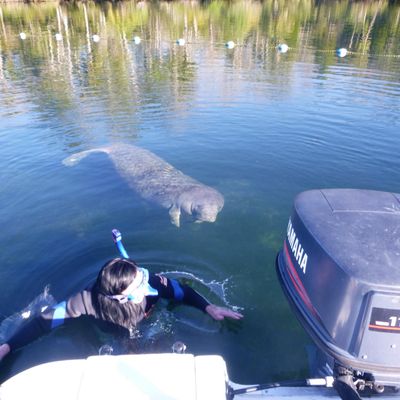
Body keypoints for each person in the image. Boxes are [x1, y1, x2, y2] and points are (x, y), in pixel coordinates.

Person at [0, 258, 243, 361]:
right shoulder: (86, 301)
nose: (147, 284)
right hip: (113, 335)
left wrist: (209, 307)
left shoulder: (154, 284)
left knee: (162, 348)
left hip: (150, 325)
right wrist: (7, 347)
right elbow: (43, 323)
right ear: (119, 297)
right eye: (139, 285)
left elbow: (184, 292)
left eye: (142, 276)